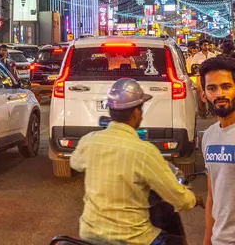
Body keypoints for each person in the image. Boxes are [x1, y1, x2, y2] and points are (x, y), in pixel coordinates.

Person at [70, 78, 201, 245]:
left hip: (89, 234)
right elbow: (178, 198)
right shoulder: (145, 151)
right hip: (132, 239)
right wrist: (194, 200)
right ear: (137, 112)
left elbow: (75, 163)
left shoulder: (89, 141)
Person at [200, 56, 235, 245]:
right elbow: (212, 195)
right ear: (203, 94)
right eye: (212, 88)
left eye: (226, 86)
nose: (219, 93)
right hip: (220, 239)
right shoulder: (209, 136)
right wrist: (208, 239)